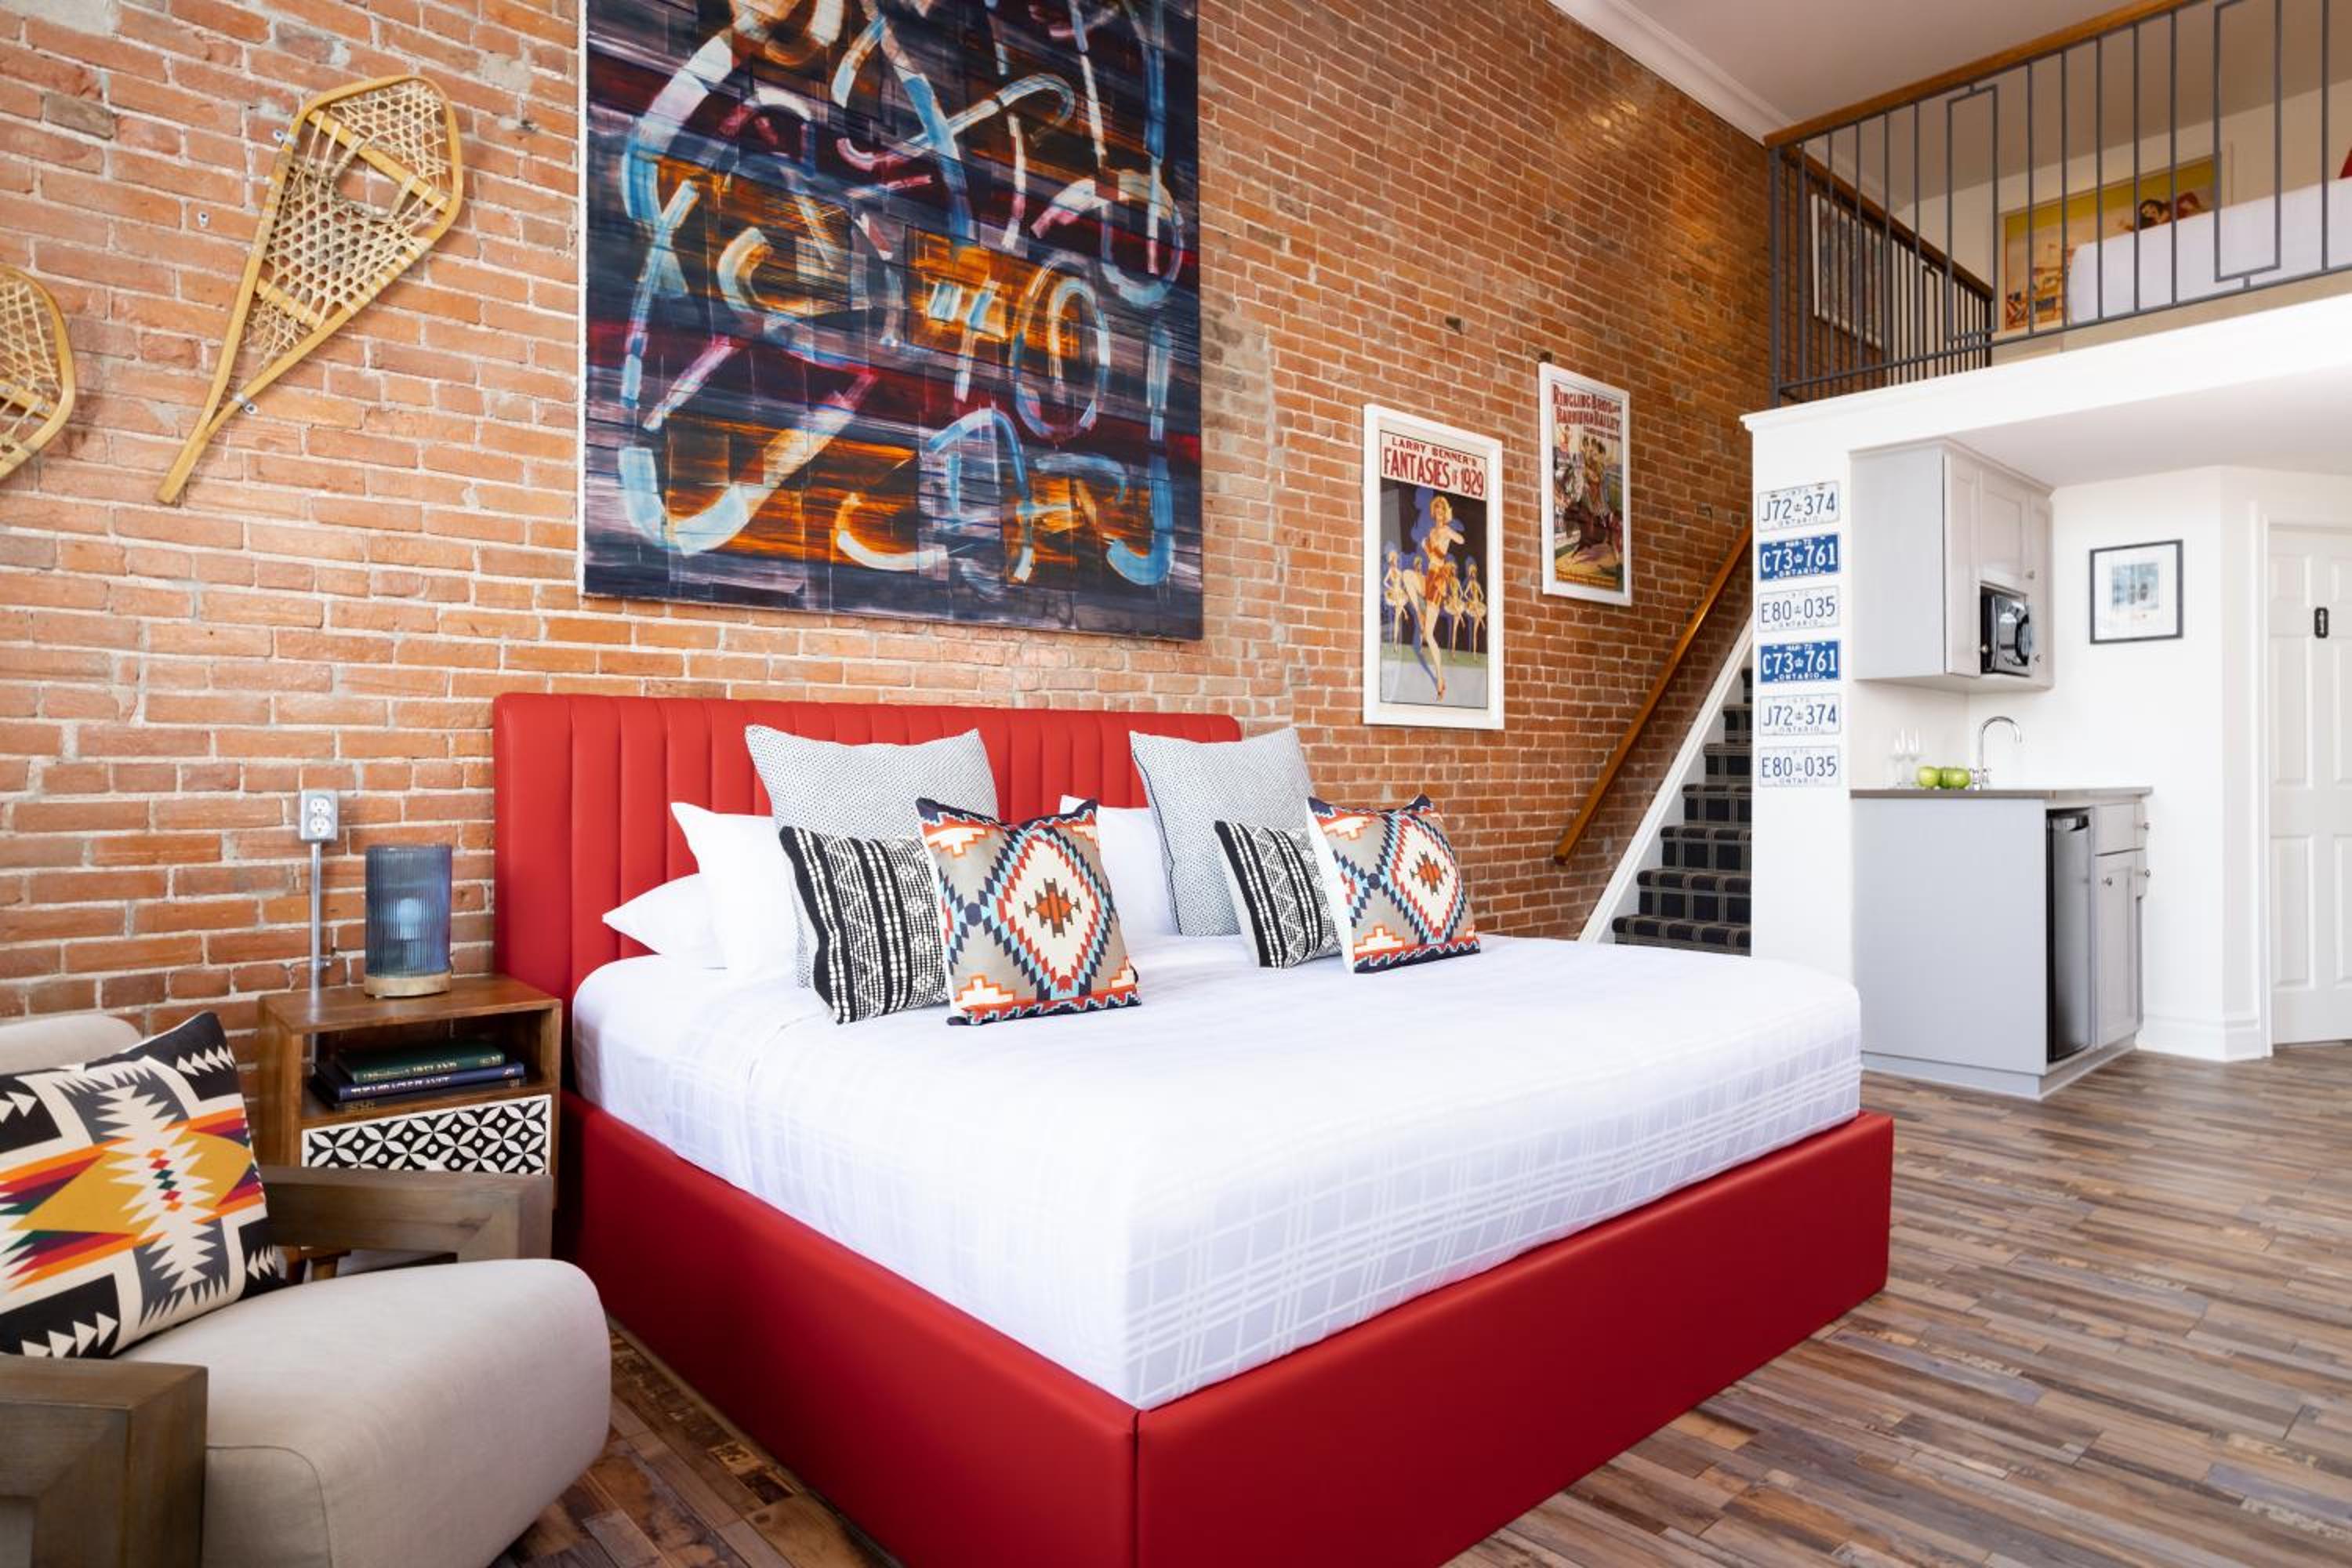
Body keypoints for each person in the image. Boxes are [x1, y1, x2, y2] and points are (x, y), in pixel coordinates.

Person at [1463, 561, 1486, 656]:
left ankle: (1475, 653)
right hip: (1473, 605)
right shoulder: (1470, 583)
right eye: (1472, 573)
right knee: (1476, 609)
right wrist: (1470, 600)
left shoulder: (1477, 584)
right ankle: (1482, 622)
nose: (1473, 575)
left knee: (1475, 632)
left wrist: (1480, 599)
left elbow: (1482, 595)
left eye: (1474, 573)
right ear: (1471, 574)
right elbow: (1465, 594)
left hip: (1477, 604)